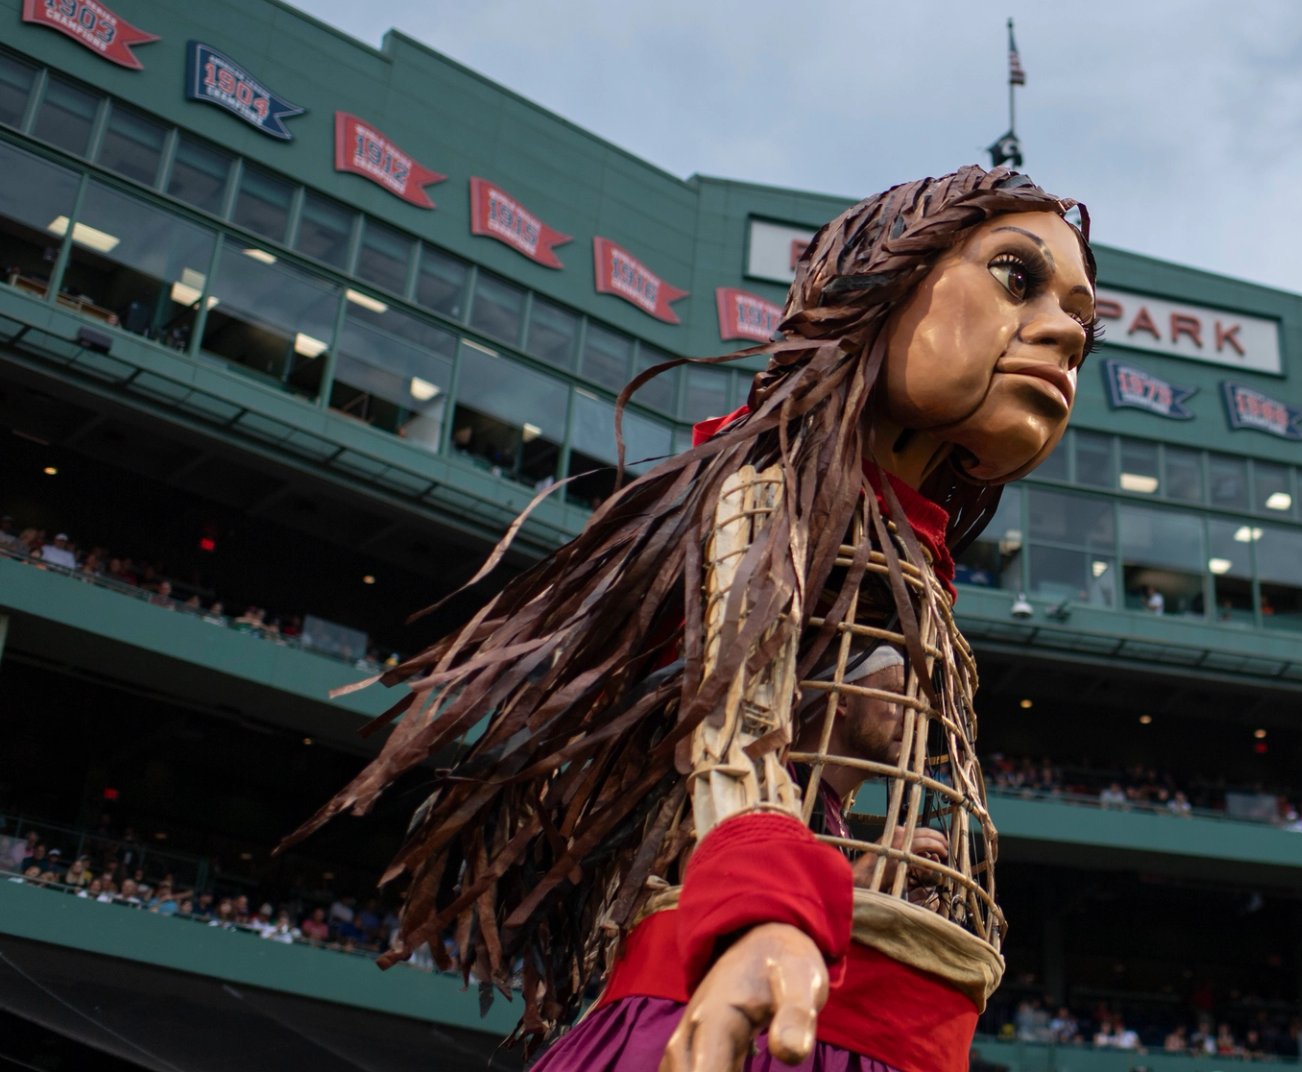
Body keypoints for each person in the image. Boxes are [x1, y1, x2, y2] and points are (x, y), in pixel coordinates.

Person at [285, 168, 1098, 1072]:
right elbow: (734, 730)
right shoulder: (767, 495)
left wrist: (838, 874)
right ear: (882, 284)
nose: (1065, 332)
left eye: (1081, 320)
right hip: (743, 1008)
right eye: (1016, 277)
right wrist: (765, 910)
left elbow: (790, 759)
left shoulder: (905, 555)